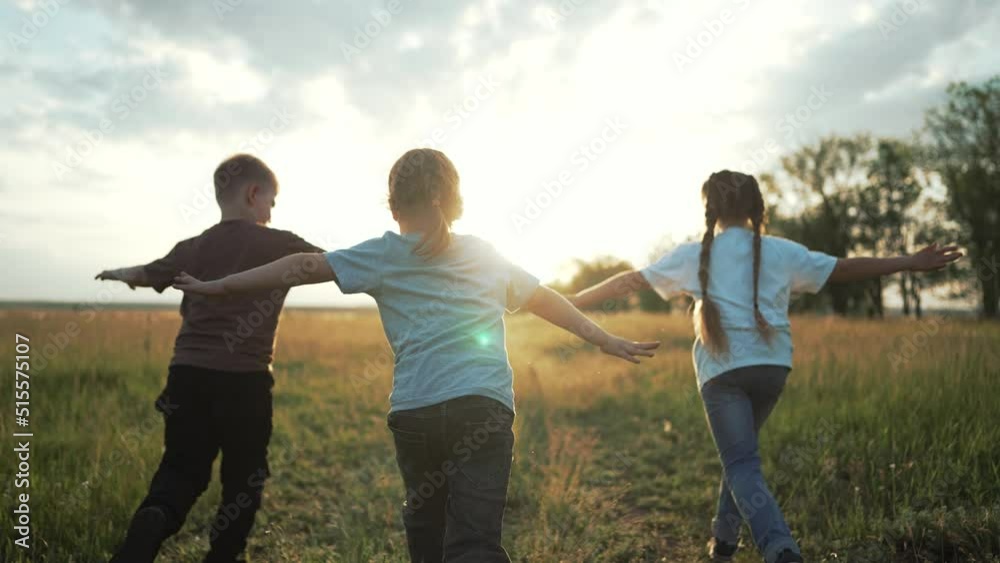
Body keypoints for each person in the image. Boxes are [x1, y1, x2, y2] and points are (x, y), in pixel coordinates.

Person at [172, 148, 660, 562]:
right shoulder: (483, 253)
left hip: (415, 413)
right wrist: (604, 339)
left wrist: (218, 286)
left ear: (393, 208)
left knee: (426, 532)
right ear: (455, 201)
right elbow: (545, 299)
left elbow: (300, 267)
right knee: (475, 541)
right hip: (483, 409)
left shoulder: (383, 254)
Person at [568, 170, 962, 563]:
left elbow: (630, 282)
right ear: (756, 207)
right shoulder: (782, 251)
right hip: (772, 369)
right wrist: (909, 261)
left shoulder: (693, 255)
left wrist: (570, 301)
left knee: (741, 463)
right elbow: (843, 268)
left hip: (723, 374)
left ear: (709, 208)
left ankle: (780, 549)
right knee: (740, 457)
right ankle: (724, 542)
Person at [96, 154, 323, 563]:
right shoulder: (280, 243)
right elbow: (335, 265)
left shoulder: (192, 247)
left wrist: (118, 273)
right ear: (253, 194)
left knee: (181, 469)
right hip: (245, 381)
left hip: (186, 375)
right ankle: (222, 556)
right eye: (271, 201)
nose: (272, 212)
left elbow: (146, 273)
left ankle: (155, 516)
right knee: (244, 480)